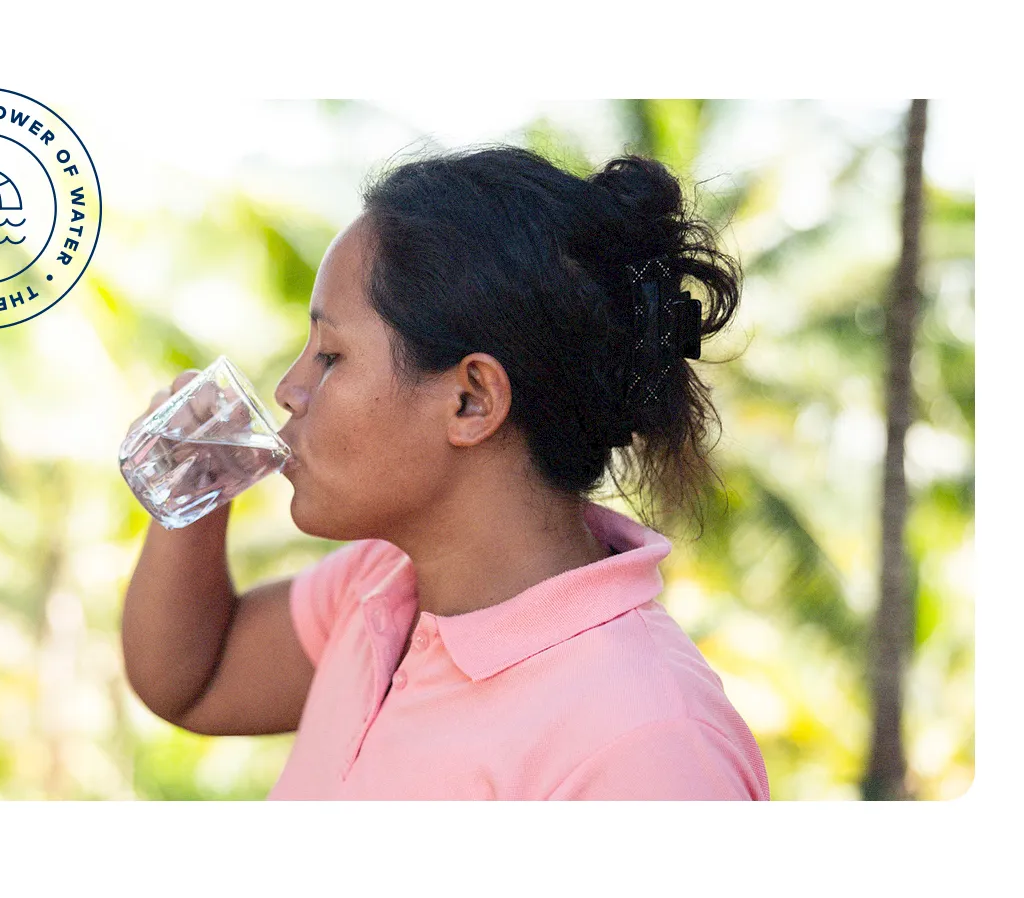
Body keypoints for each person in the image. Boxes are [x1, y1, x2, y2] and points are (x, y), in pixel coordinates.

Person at [121, 145, 770, 800]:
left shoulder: (648, 746)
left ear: (471, 401)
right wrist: (193, 485)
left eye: (330, 354)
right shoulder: (379, 587)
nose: (289, 389)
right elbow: (195, 680)